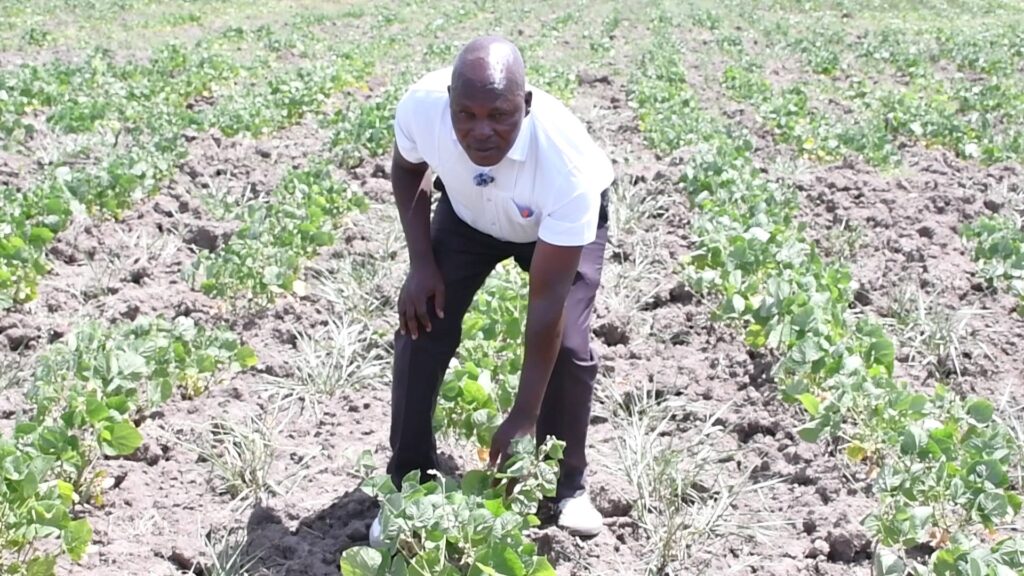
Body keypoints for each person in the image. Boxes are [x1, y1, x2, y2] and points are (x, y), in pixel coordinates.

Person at [371, 35, 614, 546]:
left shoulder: (565, 163)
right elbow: (407, 168)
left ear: (525, 106)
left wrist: (524, 414)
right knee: (421, 323)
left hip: (549, 225)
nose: (482, 131)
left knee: (568, 343)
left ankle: (565, 487)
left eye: (499, 115)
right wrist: (421, 263)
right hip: (467, 216)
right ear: (449, 103)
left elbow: (545, 303)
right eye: (467, 115)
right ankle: (407, 484)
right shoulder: (423, 107)